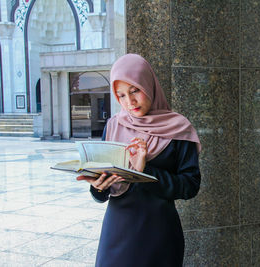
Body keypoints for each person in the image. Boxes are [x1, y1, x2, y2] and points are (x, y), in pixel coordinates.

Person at [76, 53, 201, 267]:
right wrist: (97, 187)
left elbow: (190, 186)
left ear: (149, 84)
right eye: (121, 95)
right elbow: (102, 193)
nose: (129, 101)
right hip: (117, 230)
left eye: (135, 90)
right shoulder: (114, 125)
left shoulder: (178, 128)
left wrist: (145, 170)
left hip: (159, 234)